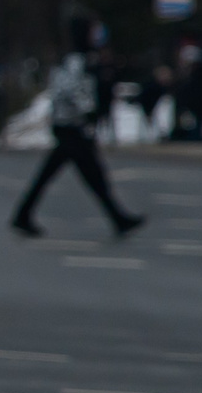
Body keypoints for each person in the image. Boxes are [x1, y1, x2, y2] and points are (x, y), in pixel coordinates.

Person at [12, 16, 144, 238]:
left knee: (79, 175)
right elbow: (69, 91)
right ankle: (118, 218)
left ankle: (23, 215)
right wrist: (87, 110)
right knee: (91, 175)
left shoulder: (84, 59)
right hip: (71, 127)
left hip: (72, 126)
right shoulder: (76, 61)